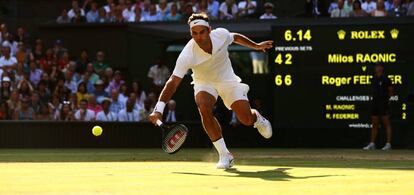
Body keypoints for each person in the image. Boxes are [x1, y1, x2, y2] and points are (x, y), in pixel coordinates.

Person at [149, 13, 273, 169]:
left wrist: (256, 46)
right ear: (191, 33)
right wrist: (158, 109)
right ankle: (225, 155)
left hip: (227, 79)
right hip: (204, 82)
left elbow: (235, 37)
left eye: (202, 32)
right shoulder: (187, 54)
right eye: (195, 33)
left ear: (209, 30)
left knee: (246, 119)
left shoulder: (220, 35)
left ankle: (257, 119)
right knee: (203, 107)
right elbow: (172, 83)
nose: (199, 37)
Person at [363, 64, 393, 150]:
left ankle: (388, 144)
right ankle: (372, 143)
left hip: (383, 103)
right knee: (374, 123)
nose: (377, 68)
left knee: (386, 123)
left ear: (382, 68)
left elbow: (391, 90)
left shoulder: (386, 79)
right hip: (375, 103)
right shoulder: (373, 79)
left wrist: (387, 100)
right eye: (376, 67)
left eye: (379, 66)